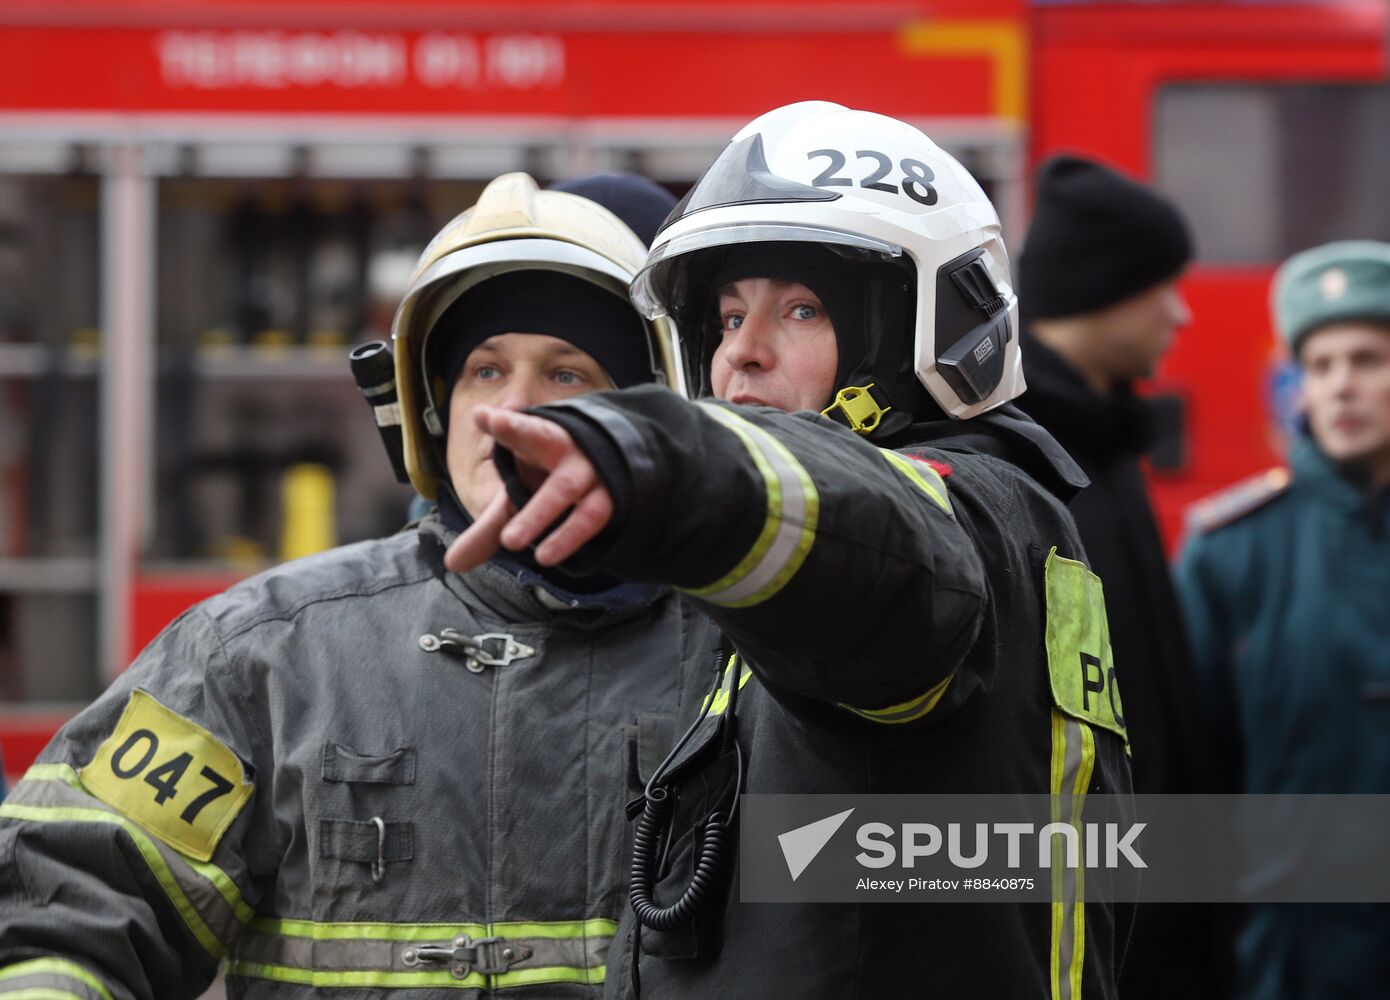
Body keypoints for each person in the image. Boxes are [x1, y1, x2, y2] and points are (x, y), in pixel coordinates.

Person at [445, 101, 1133, 999]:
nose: (742, 357)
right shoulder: (1008, 516)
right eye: (727, 318)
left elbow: (869, 536)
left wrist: (664, 466)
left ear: (923, 333)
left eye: (800, 311)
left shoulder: (957, 515)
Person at [0, 172, 716, 998]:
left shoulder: (743, 660)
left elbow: (854, 909)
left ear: (650, 419)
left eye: (567, 375)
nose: (512, 411)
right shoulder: (263, 657)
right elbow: (67, 904)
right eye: (485, 371)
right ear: (433, 409)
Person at [1014, 155, 1229, 999]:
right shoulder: (1034, 467)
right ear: (1102, 292)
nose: (1179, 313)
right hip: (1102, 928)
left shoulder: (1104, 439)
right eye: (1161, 286)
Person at [1174, 240, 1390, 999]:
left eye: (1367, 359)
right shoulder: (1230, 549)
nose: (1342, 387)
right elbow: (1191, 770)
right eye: (1322, 366)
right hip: (1287, 956)